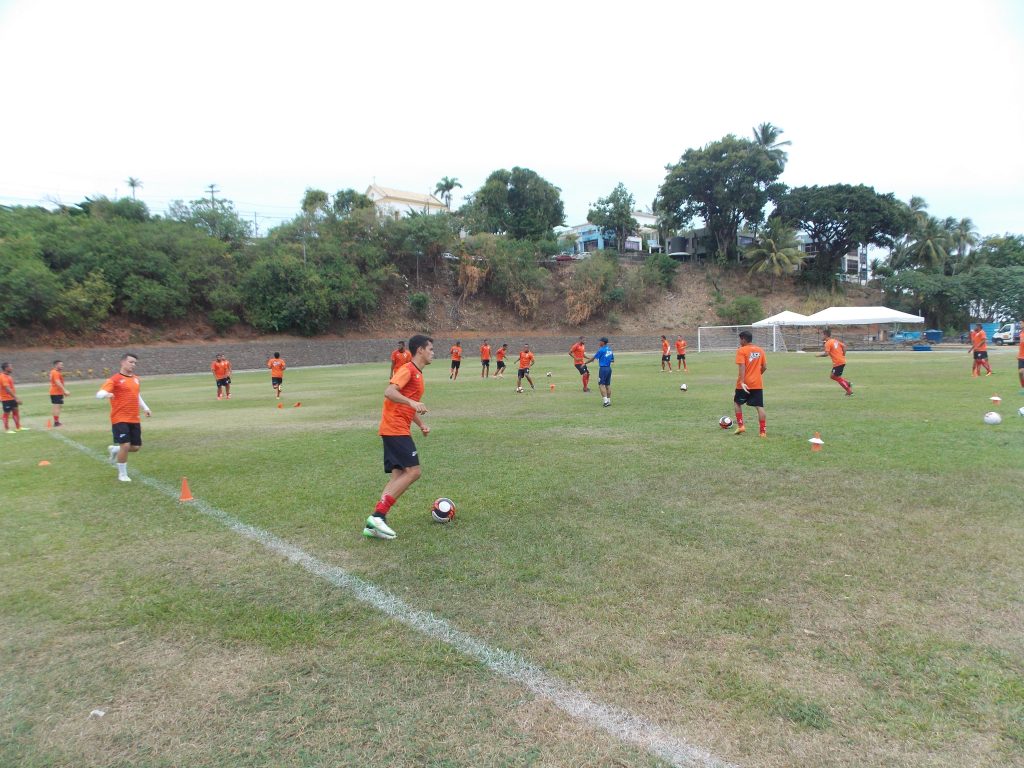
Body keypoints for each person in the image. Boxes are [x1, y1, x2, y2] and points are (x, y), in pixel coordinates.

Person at [364, 334, 433, 541]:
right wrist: (412, 403)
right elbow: (389, 392)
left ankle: (376, 523)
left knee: (398, 476)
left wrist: (421, 425)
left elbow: (407, 405)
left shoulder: (419, 375)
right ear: (420, 350)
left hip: (397, 428)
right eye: (430, 349)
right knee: (414, 472)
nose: (432, 353)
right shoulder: (408, 369)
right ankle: (377, 516)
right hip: (395, 428)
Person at [96, 353, 151, 482]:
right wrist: (106, 394)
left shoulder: (136, 379)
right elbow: (99, 394)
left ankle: (115, 449)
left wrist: (146, 408)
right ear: (122, 362)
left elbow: (136, 395)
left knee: (135, 447)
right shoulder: (114, 379)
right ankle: (122, 474)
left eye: (135, 363)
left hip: (134, 418)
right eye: (131, 362)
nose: (133, 365)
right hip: (119, 418)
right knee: (125, 446)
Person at [733, 330, 767, 437]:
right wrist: (757, 376)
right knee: (759, 406)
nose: (739, 341)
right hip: (757, 383)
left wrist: (742, 381)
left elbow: (742, 366)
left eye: (740, 339)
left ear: (743, 339)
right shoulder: (760, 350)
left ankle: (741, 425)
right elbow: (765, 367)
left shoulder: (742, 350)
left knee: (737, 403)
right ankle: (762, 432)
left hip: (744, 383)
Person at [819, 329, 852, 396]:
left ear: (825, 335)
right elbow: (844, 346)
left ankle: (849, 391)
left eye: (822, 334)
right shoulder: (834, 340)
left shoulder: (828, 343)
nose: (821, 336)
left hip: (838, 362)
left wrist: (818, 355)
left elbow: (826, 354)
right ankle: (847, 383)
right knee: (833, 376)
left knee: (836, 377)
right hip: (840, 361)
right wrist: (843, 355)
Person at [583, 337, 614, 407]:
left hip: (603, 369)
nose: (599, 343)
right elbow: (612, 360)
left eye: (600, 341)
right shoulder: (609, 349)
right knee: (607, 385)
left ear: (603, 342)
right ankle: (609, 401)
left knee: (601, 385)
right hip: (609, 368)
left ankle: (605, 402)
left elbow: (593, 358)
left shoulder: (601, 350)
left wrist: (584, 363)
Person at [1, 362, 26, 433]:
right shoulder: (2, 376)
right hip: (6, 398)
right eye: (10, 367)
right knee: (7, 413)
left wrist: (14, 398)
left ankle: (18, 427)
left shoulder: (9, 376)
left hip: (12, 398)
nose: (12, 368)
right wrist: (16, 398)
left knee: (16, 411)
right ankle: (7, 429)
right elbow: (7, 389)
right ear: (6, 368)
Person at [49, 360, 70, 426]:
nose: (62, 366)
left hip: (56, 392)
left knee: (56, 407)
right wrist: (65, 390)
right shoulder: (55, 372)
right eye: (61, 365)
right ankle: (56, 422)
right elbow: (57, 382)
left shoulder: (53, 372)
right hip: (56, 392)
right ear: (56, 365)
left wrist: (63, 392)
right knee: (57, 407)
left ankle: (56, 421)